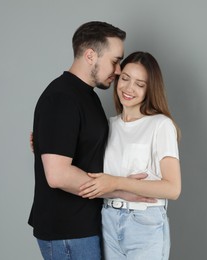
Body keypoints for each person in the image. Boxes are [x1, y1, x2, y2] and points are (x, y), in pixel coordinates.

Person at [29, 21, 152, 260]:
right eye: (115, 61)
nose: (118, 71)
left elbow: (81, 150)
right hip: (67, 231)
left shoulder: (87, 96)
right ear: (90, 55)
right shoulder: (62, 98)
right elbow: (58, 175)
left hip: (83, 226)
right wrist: (120, 190)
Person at [79, 51, 182, 260]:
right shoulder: (107, 125)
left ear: (149, 90)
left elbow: (173, 188)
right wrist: (46, 142)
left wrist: (117, 182)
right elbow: (83, 169)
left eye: (140, 84)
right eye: (125, 79)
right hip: (107, 219)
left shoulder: (160, 125)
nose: (129, 88)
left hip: (144, 224)